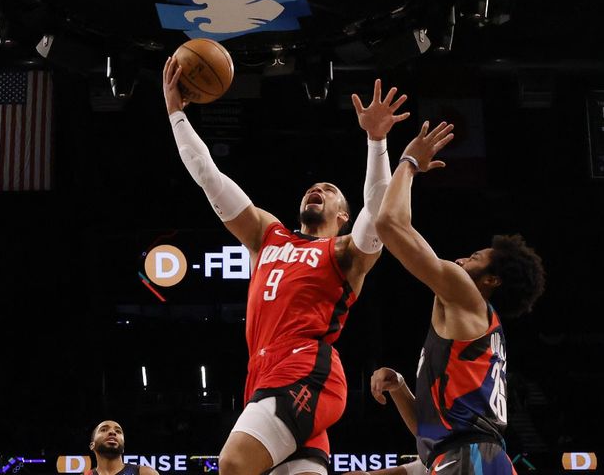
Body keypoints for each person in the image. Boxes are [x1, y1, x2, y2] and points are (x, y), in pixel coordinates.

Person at [163, 57, 409, 475]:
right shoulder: (267, 234)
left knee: (234, 464)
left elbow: (380, 211)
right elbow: (209, 175)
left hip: (305, 371)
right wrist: (176, 112)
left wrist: (376, 142)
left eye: (329, 191)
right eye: (314, 187)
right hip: (263, 374)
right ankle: (424, 469)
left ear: (342, 216)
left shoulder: (346, 253)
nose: (318, 189)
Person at [370, 120, 546, 475]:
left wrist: (409, 162)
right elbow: (429, 433)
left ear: (491, 280)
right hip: (476, 458)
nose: (464, 257)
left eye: (476, 258)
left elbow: (389, 225)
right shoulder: (475, 325)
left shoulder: (466, 296)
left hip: (472, 459)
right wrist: (402, 389)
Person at [88, 419, 159, 475]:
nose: (112, 432)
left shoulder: (145, 473)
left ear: (123, 446)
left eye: (118, 431)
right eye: (104, 430)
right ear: (92, 445)